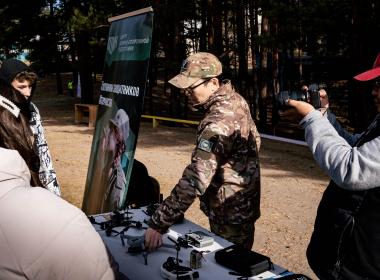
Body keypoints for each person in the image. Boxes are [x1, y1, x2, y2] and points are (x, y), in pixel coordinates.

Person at [0, 81, 127, 279]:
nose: (106, 134)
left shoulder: (117, 176)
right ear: (21, 132)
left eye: (113, 132)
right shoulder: (55, 221)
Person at [144, 52, 261, 250]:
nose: (187, 93)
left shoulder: (218, 122)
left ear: (213, 83)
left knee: (227, 268)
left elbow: (196, 177)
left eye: (191, 88)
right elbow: (256, 141)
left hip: (230, 214)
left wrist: (159, 222)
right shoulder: (236, 100)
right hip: (241, 205)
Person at [286, 53, 380, 279]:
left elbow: (351, 169)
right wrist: (324, 114)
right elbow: (355, 147)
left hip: (361, 269)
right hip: (350, 261)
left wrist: (311, 119)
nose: (374, 92)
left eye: (379, 84)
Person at [0, 58, 60, 196]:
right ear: (5, 86)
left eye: (30, 86)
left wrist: (52, 188)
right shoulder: (2, 113)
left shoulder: (33, 109)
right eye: (21, 87)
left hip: (39, 178)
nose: (27, 93)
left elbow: (42, 148)